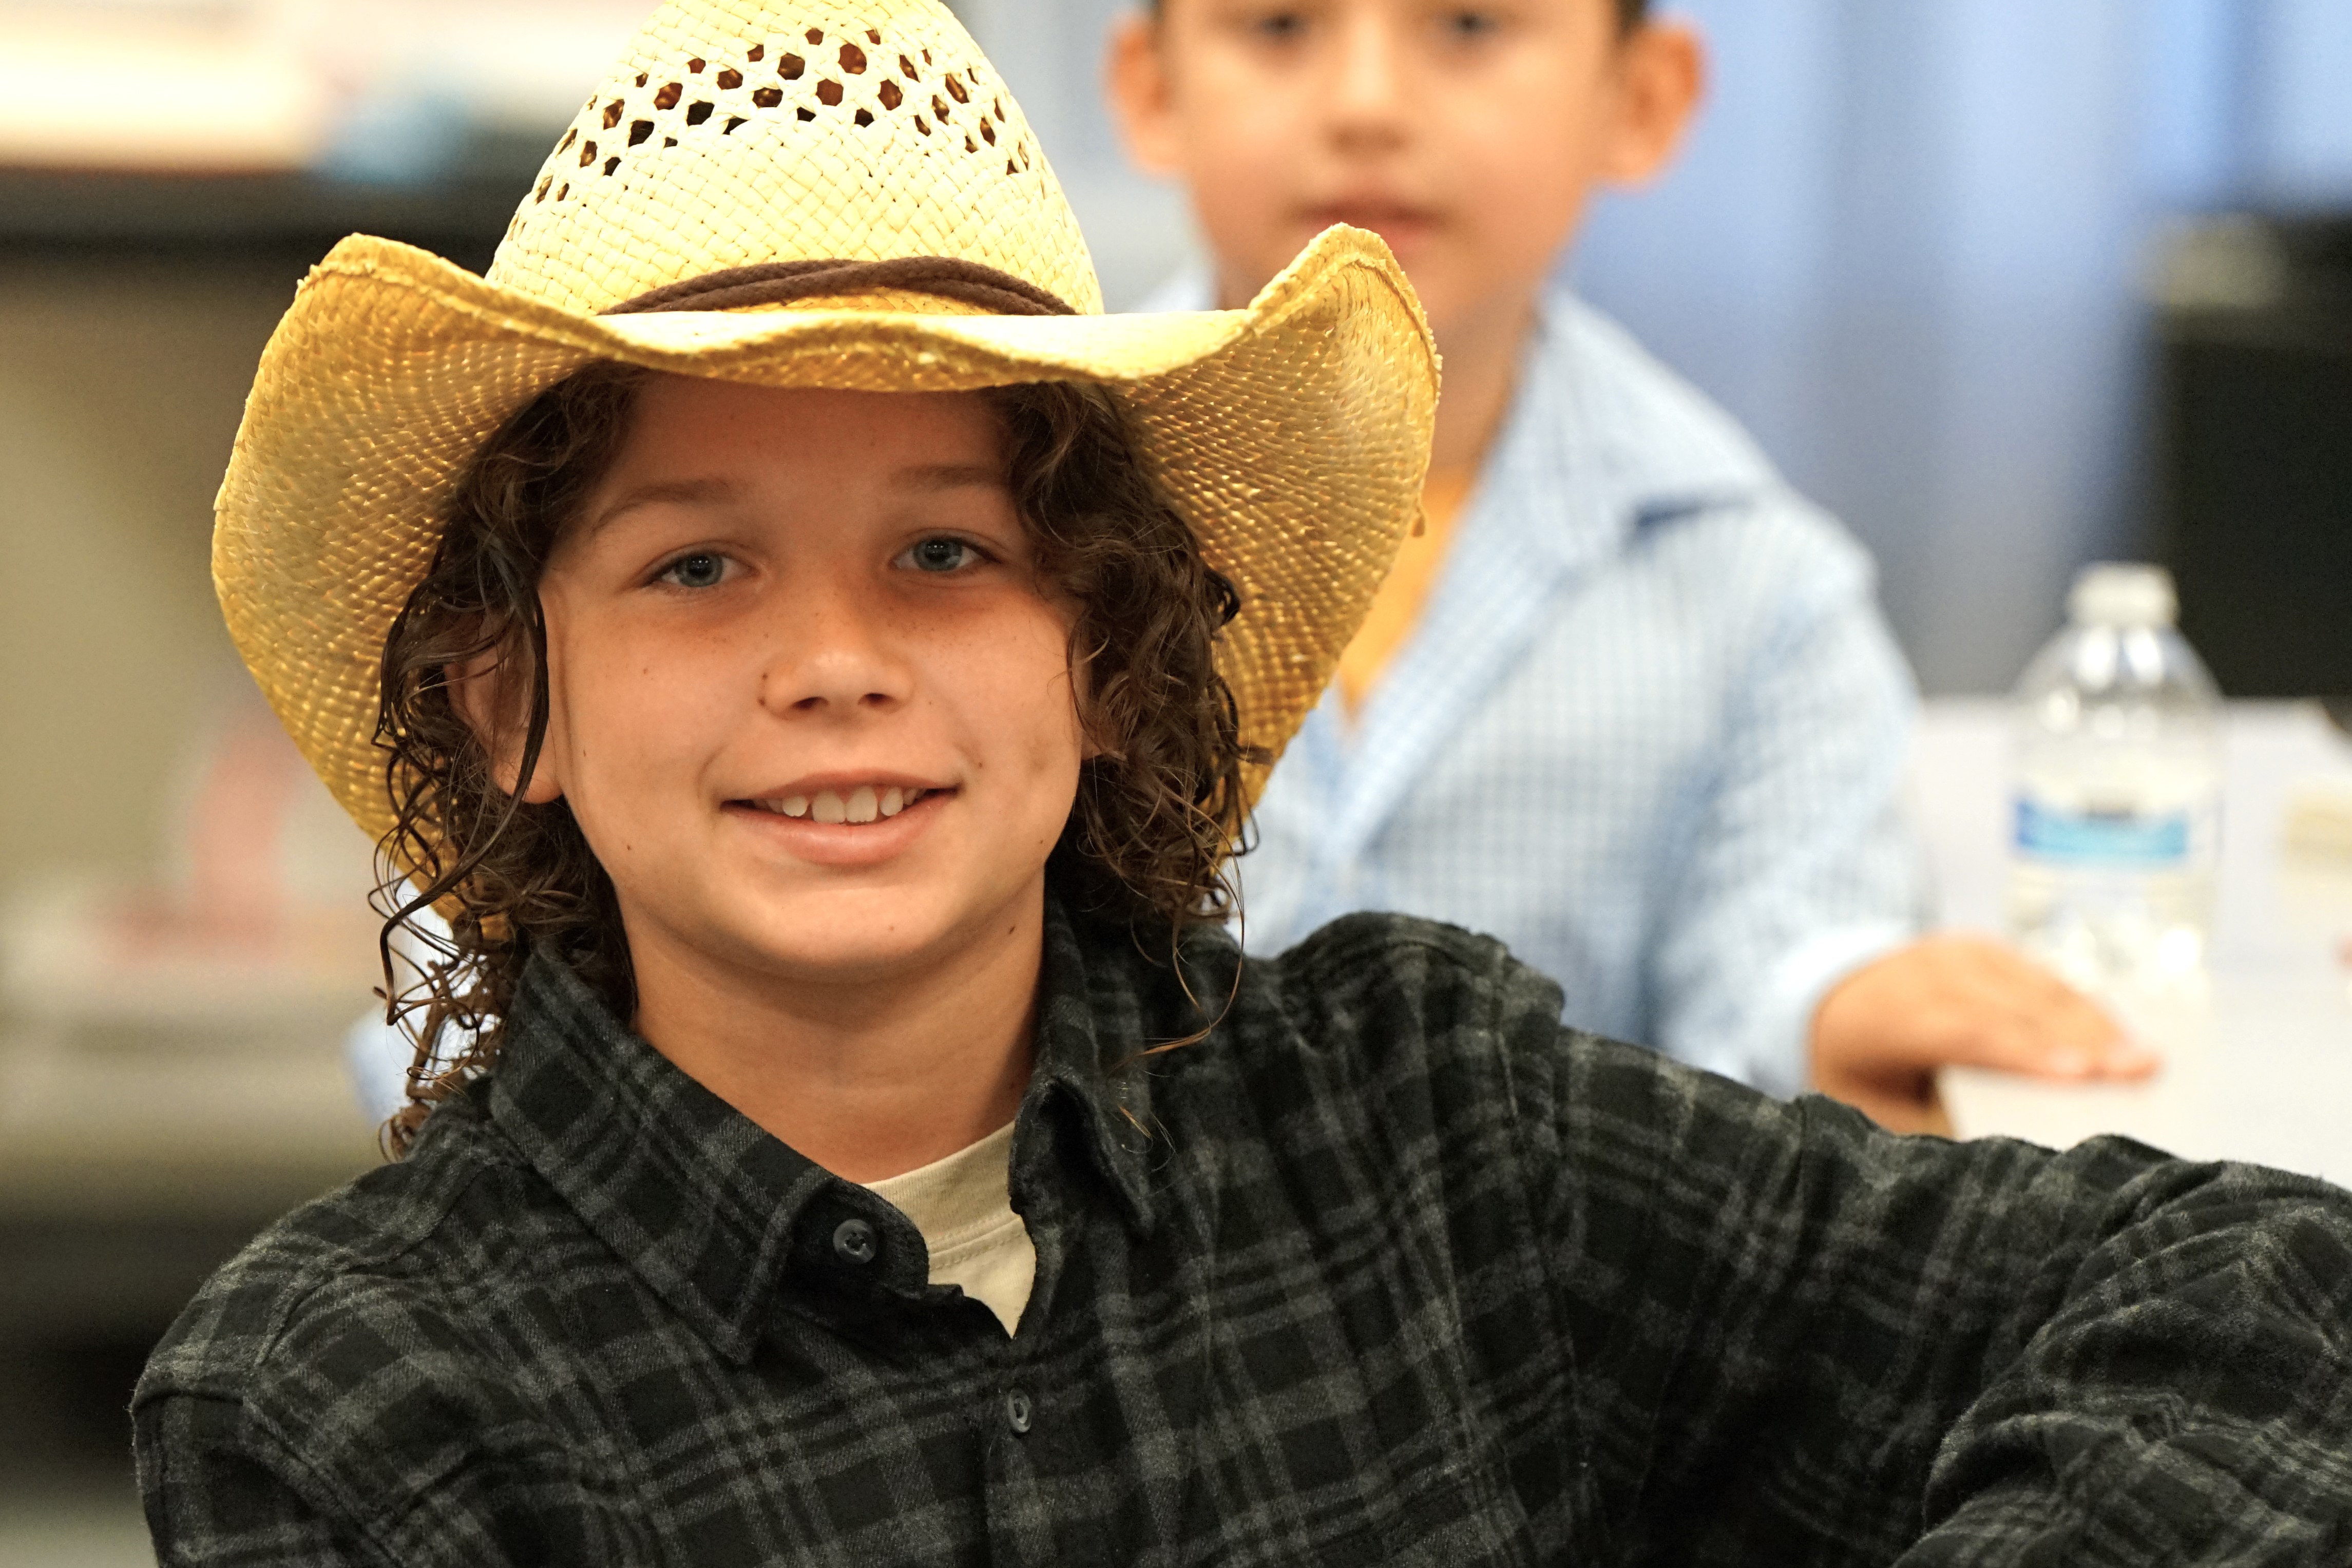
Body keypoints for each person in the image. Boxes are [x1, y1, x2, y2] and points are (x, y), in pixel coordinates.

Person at [137, 3, 2352, 1562]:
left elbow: (2252, 1290)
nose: (833, 663)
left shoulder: (1413, 1113)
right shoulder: (348, 1403)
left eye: (945, 551)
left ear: (1105, 648)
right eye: (698, 563)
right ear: (505, 692)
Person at [1106, 0, 2153, 1131]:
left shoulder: (1758, 587)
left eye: (1466, 28)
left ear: (1641, 99)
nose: (1367, 105)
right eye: (1275, 26)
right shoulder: (1000, 512)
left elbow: (1785, 965)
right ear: (1152, 88)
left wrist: (1840, 1006)